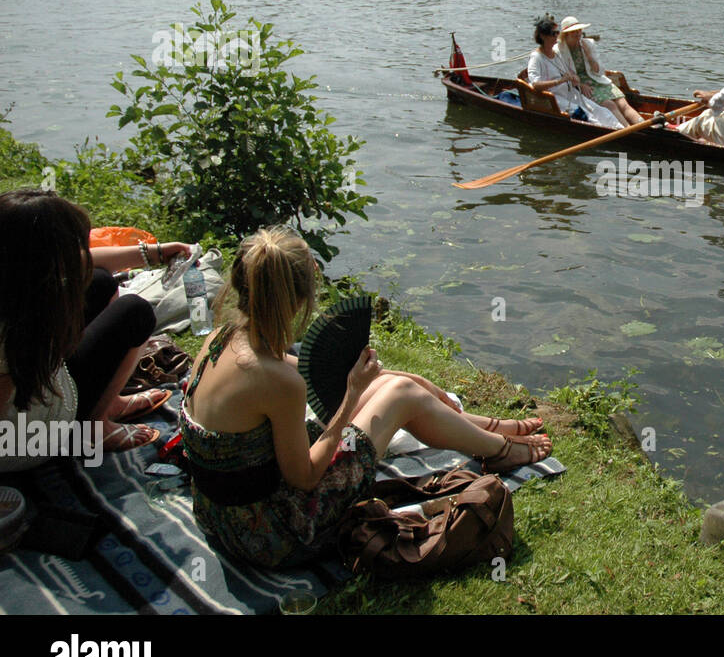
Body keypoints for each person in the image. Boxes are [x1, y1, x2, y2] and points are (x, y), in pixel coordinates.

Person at [179, 226, 551, 569]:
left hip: (218, 514)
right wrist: (353, 394)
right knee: (399, 395)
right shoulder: (276, 382)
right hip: (275, 534)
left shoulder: (223, 337)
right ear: (295, 299)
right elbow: (306, 478)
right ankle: (500, 451)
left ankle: (492, 430)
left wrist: (391, 378)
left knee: (394, 384)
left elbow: (311, 375)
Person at [0, 190, 186, 469]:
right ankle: (93, 428)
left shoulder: (16, 279)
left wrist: (155, 253)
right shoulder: (14, 329)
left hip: (35, 398)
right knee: (134, 313)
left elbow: (86, 263)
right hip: (29, 439)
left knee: (99, 282)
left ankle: (108, 403)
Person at [525, 16, 623, 128]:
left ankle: (622, 130)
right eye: (553, 34)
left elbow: (568, 74)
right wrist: (560, 81)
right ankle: (609, 133)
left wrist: (574, 78)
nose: (557, 36)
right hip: (553, 99)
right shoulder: (536, 57)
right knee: (586, 116)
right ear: (543, 36)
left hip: (570, 94)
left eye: (557, 33)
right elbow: (535, 85)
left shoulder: (556, 54)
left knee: (602, 111)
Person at [556, 16, 643, 126]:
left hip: (596, 79)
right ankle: (628, 130)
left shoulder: (588, 44)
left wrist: (589, 55)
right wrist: (581, 85)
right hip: (579, 84)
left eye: (579, 30)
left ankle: (646, 126)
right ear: (566, 34)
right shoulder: (559, 50)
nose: (578, 33)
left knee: (623, 103)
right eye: (574, 31)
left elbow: (599, 71)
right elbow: (563, 74)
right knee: (610, 105)